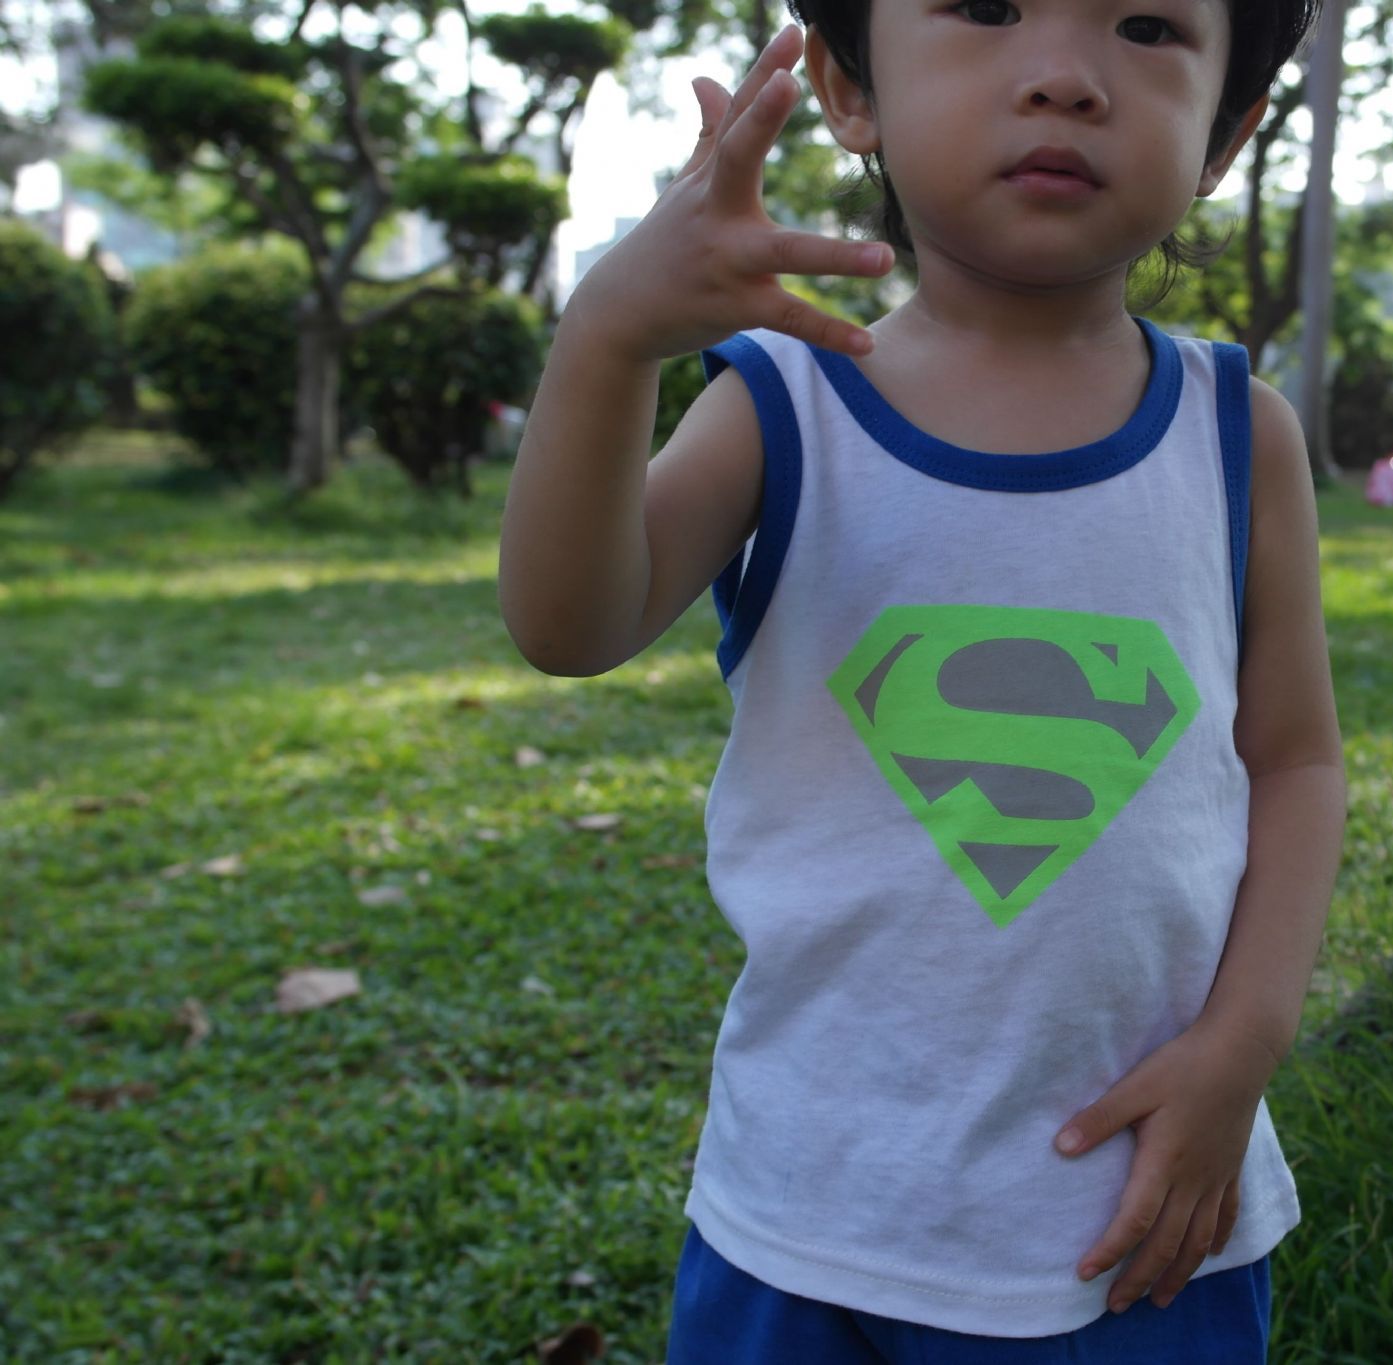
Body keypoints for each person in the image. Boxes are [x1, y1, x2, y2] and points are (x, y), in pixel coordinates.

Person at [497, 3, 1345, 1360]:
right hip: (807, 1222)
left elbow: (1293, 760)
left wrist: (1244, 1041)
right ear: (849, 87)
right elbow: (567, 623)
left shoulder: (1238, 435)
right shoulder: (785, 404)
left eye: (1144, 25)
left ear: (1225, 136)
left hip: (1143, 1224)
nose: (1063, 77)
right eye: (985, 8)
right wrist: (607, 338)